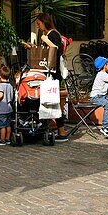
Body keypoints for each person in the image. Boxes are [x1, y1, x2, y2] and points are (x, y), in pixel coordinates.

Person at [33, 13, 70, 141]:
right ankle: (53, 128)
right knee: (50, 101)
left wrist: (45, 41)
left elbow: (57, 50)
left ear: (45, 22)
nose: (38, 26)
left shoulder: (52, 34)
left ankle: (61, 130)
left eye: (39, 23)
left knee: (53, 101)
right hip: (49, 72)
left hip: (53, 74)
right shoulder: (48, 34)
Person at [89, 56, 108, 139]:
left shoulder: (104, 74)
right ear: (105, 66)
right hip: (95, 97)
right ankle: (104, 127)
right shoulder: (102, 75)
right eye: (107, 64)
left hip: (101, 96)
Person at [0, 64, 15, 146]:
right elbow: (12, 97)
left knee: (2, 126)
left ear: (0, 77)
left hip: (2, 109)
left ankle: (2, 140)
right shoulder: (10, 86)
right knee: (8, 125)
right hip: (9, 108)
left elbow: (0, 95)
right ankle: (7, 139)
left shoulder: (0, 85)